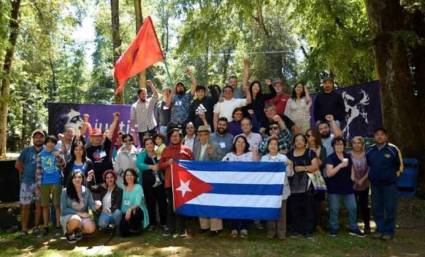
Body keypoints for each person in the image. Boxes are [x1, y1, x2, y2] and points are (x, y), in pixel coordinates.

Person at [366, 128, 403, 240]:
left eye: (382, 135)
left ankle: (388, 231)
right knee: (377, 208)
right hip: (375, 185)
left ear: (386, 137)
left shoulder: (393, 149)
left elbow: (399, 166)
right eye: (377, 135)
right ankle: (379, 229)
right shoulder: (369, 150)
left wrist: (391, 177)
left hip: (389, 185)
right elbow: (368, 165)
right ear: (374, 137)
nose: (379, 137)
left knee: (390, 208)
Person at [325, 137, 364, 237]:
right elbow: (329, 174)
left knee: (353, 207)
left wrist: (354, 180)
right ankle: (333, 228)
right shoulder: (330, 157)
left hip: (348, 187)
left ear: (344, 145)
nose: (339, 146)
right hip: (334, 188)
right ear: (333, 146)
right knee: (334, 209)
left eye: (341, 144)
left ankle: (353, 228)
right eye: (337, 144)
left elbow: (352, 171)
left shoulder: (348, 156)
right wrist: (340, 165)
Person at [222, 135, 259, 238]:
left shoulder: (249, 155)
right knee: (233, 207)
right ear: (234, 144)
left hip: (246, 187)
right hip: (232, 187)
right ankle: (233, 228)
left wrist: (255, 151)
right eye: (238, 142)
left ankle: (244, 228)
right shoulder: (229, 155)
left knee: (244, 207)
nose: (240, 144)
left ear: (246, 144)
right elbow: (221, 168)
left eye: (243, 142)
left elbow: (256, 165)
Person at [158, 128, 193, 237]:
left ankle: (182, 229)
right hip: (169, 182)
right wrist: (167, 163)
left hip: (183, 184)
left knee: (182, 206)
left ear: (181, 137)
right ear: (170, 138)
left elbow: (193, 166)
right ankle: (170, 228)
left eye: (177, 135)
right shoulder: (165, 150)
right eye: (173, 136)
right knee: (170, 206)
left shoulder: (187, 150)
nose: (175, 137)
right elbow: (160, 165)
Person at [192, 125, 224, 236]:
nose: (202, 137)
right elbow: (193, 160)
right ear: (198, 136)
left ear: (208, 135)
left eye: (205, 134)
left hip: (212, 178)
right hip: (199, 178)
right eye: (200, 135)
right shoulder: (196, 146)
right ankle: (204, 226)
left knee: (213, 202)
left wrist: (211, 154)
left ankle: (216, 227)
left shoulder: (215, 145)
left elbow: (220, 161)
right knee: (202, 201)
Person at [286, 134, 319, 238]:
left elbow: (315, 167)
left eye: (301, 140)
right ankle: (296, 230)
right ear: (294, 142)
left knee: (308, 209)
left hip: (307, 186)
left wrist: (303, 168)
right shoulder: (289, 154)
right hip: (293, 186)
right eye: (297, 140)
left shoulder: (310, 152)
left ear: (305, 142)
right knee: (294, 209)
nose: (299, 142)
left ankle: (308, 231)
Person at [261, 137, 293, 240]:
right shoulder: (264, 159)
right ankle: (271, 231)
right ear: (268, 146)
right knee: (270, 211)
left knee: (281, 212)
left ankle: (281, 232)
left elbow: (290, 174)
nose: (273, 146)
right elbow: (262, 174)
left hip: (282, 189)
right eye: (271, 144)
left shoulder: (283, 158)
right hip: (269, 190)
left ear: (278, 146)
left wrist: (290, 164)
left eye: (275, 144)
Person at [15, 129, 45, 236]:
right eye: (36, 137)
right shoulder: (26, 151)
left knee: (38, 206)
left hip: (41, 184)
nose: (38, 139)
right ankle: (24, 229)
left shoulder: (47, 151)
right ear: (33, 139)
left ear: (43, 139)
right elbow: (18, 164)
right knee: (25, 206)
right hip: (27, 183)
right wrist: (25, 172)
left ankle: (36, 227)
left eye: (40, 137)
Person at [35, 135, 65, 236]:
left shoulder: (58, 153)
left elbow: (63, 166)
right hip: (44, 182)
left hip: (56, 181)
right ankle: (46, 226)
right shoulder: (40, 155)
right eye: (49, 142)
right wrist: (38, 184)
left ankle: (58, 225)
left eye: (53, 142)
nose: (51, 144)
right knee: (45, 205)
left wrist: (58, 156)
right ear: (45, 143)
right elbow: (38, 170)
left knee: (57, 205)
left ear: (55, 144)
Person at [136, 137, 167, 232]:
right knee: (150, 204)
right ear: (144, 146)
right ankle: (152, 224)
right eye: (147, 144)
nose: (149, 145)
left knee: (162, 204)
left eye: (151, 143)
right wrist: (151, 166)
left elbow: (163, 165)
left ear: (154, 144)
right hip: (148, 184)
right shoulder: (142, 155)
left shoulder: (159, 153)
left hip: (160, 183)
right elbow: (139, 165)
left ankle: (164, 223)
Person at [60, 171, 100, 243]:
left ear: (82, 179)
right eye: (75, 177)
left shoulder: (86, 191)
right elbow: (63, 210)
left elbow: (92, 206)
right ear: (71, 179)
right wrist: (79, 213)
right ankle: (69, 233)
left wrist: (97, 205)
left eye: (79, 177)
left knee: (91, 228)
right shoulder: (65, 191)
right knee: (76, 219)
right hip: (68, 216)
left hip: (82, 216)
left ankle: (78, 231)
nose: (77, 179)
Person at [86, 112, 120, 184]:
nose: (97, 138)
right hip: (95, 180)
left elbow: (110, 132)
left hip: (109, 179)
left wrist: (115, 120)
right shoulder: (87, 150)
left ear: (102, 137)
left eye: (99, 136)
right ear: (91, 138)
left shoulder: (105, 146)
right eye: (95, 136)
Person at [305, 128, 327, 232]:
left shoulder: (322, 148)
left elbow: (321, 164)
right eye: (307, 136)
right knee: (307, 202)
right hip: (305, 179)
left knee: (319, 202)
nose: (309, 138)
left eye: (311, 135)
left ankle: (319, 224)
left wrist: (314, 153)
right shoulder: (302, 148)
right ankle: (309, 224)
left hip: (318, 178)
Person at [120, 168, 150, 237]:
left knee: (135, 211)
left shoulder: (138, 187)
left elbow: (137, 203)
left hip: (136, 210)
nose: (129, 177)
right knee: (123, 234)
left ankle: (137, 228)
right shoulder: (123, 187)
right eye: (127, 175)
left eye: (131, 175)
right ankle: (130, 228)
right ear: (124, 177)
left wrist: (130, 209)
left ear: (135, 177)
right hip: (125, 212)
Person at [351, 136, 371, 234]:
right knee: (353, 206)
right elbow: (348, 169)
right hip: (352, 184)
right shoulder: (348, 155)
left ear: (362, 144)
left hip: (364, 183)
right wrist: (355, 180)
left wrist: (362, 179)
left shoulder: (367, 154)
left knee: (364, 205)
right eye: (354, 143)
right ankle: (354, 226)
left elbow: (370, 168)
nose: (357, 145)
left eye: (359, 143)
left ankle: (367, 225)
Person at [130, 80, 159, 147]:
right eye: (142, 94)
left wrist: (151, 85)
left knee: (155, 145)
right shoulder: (134, 106)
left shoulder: (150, 101)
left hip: (152, 127)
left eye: (145, 93)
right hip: (142, 129)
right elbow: (132, 120)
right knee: (144, 147)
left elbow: (156, 95)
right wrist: (133, 132)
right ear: (139, 95)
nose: (144, 95)